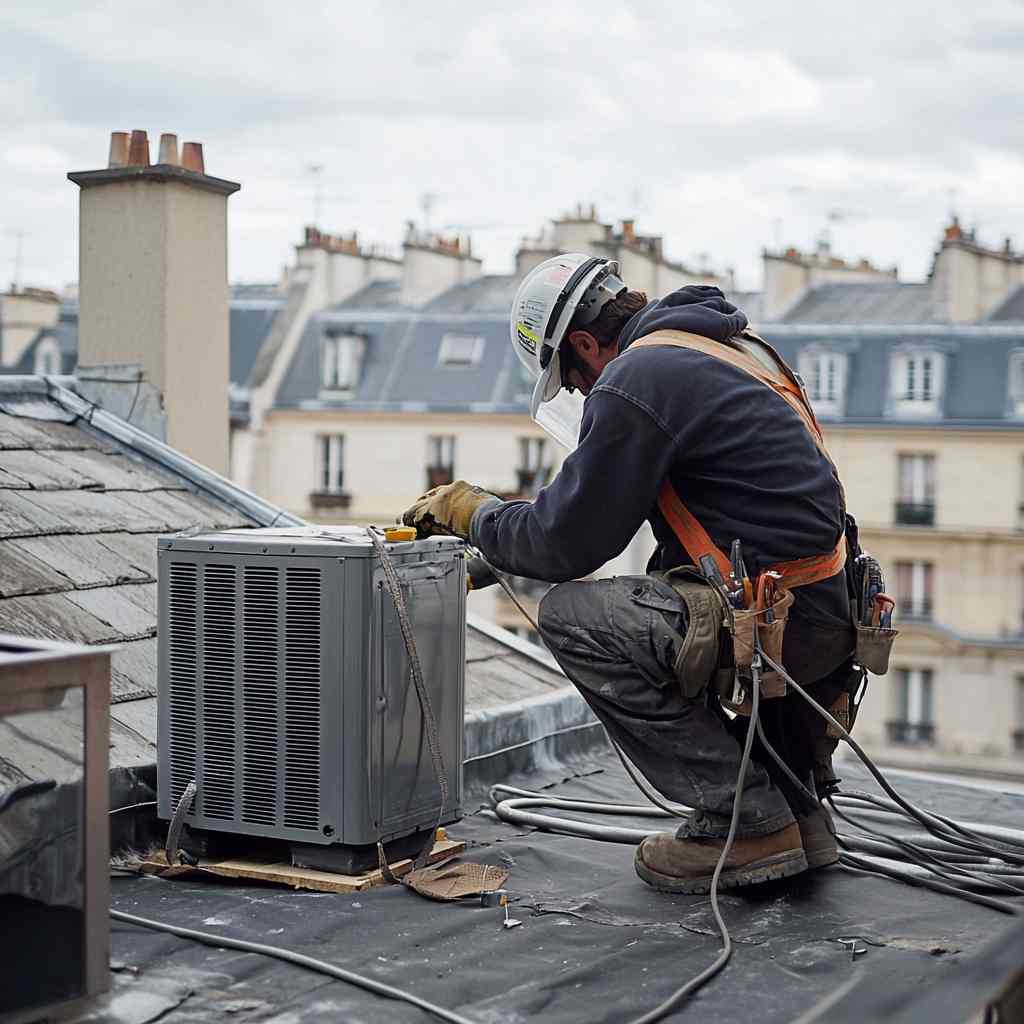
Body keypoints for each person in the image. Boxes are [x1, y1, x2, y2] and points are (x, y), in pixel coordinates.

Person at [402, 253, 858, 894]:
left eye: (573, 380)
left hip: (781, 623)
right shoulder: (722, 345)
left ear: (586, 344)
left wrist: (472, 513)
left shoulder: (636, 377)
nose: (584, 395)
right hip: (821, 612)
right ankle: (798, 818)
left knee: (572, 617)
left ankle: (750, 821)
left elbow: (565, 545)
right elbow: (659, 515)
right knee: (668, 596)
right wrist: (492, 557)